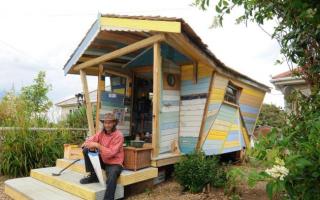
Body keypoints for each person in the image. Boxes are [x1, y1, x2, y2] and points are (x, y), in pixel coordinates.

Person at [80, 113, 124, 200]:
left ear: (114, 123)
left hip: (114, 163)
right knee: (86, 150)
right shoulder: (101, 133)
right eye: (105, 122)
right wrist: (86, 143)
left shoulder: (119, 135)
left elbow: (111, 153)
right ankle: (94, 176)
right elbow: (92, 139)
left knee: (111, 177)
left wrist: (97, 145)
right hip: (104, 160)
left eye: (110, 123)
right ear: (103, 123)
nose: (107, 125)